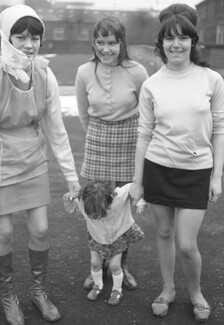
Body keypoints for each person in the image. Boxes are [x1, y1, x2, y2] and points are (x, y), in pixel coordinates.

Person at [130, 3, 224, 323]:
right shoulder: (152, 84)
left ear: (193, 42)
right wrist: (139, 182)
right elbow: (143, 135)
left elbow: (220, 129)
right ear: (161, 44)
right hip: (159, 167)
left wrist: (216, 176)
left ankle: (195, 291)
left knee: (186, 243)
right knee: (165, 232)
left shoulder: (211, 80)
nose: (176, 44)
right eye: (169, 39)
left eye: (183, 38)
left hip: (197, 171)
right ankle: (168, 289)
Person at [0, 5, 81, 325]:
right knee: (2, 233)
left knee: (42, 228)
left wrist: (72, 178)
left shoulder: (43, 73)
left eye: (35, 37)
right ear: (6, 38)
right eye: (20, 37)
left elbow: (56, 129)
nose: (29, 44)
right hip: (0, 160)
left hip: (32, 157)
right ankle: (7, 297)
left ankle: (38, 291)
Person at [75, 13, 148, 291]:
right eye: (100, 42)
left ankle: (121, 266)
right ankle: (98, 266)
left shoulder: (138, 71)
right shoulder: (84, 71)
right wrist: (97, 133)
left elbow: (148, 111)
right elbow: (83, 112)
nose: (106, 49)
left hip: (129, 139)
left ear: (122, 43)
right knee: (97, 205)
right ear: (93, 43)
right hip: (98, 139)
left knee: (121, 210)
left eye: (112, 43)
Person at [63, 180, 145, 305]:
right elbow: (70, 209)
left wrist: (140, 200)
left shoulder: (118, 196)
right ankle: (98, 285)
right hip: (97, 237)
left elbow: (133, 187)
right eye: (93, 212)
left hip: (117, 237)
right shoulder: (83, 201)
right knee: (95, 264)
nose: (97, 214)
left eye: (100, 210)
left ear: (111, 198)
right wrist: (68, 198)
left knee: (114, 266)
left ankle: (117, 290)